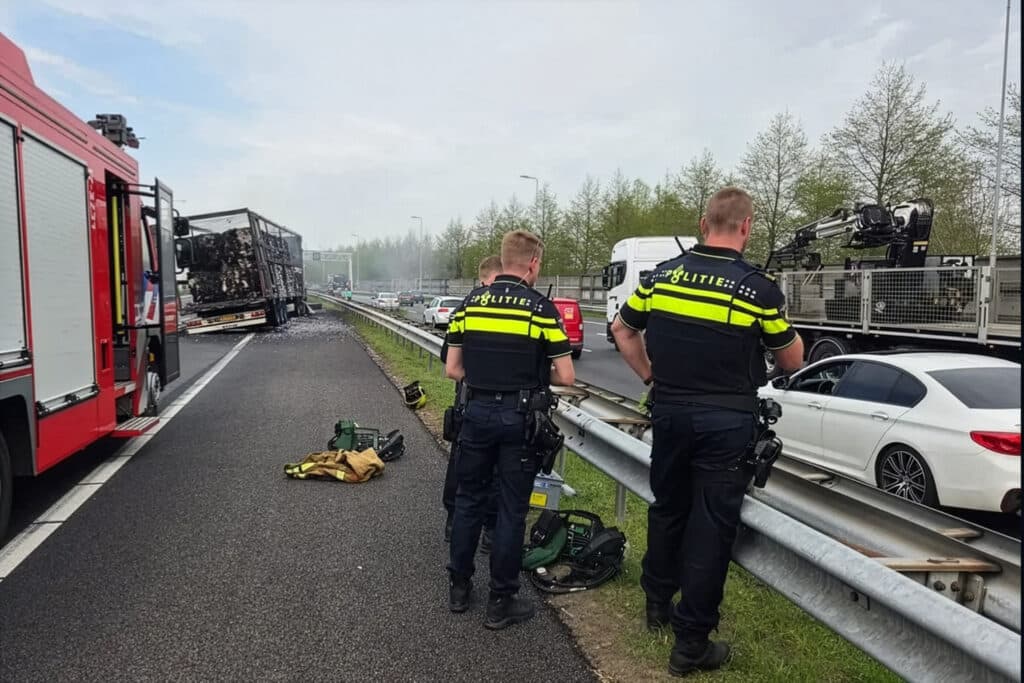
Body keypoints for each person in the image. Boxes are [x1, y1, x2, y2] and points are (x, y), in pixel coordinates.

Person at [611, 187, 804, 676]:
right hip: (727, 421)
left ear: (703, 224)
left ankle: (656, 605)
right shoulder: (758, 288)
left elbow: (622, 329)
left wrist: (651, 375)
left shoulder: (662, 277)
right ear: (746, 227)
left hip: (670, 412)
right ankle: (691, 643)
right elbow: (791, 359)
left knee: (669, 508)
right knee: (711, 528)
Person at [444, 230, 575, 629]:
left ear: (502, 261)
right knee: (511, 511)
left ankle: (460, 588)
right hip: (519, 420)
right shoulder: (540, 308)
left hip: (476, 413)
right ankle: (501, 601)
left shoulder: (470, 303)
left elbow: (452, 368)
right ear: (533, 263)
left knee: (469, 500)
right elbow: (566, 376)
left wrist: (485, 381)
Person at [441, 255, 503, 549]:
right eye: (495, 283)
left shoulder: (476, 307)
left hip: (487, 401)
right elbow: (447, 358)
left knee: (493, 470)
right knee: (464, 467)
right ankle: (457, 522)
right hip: (471, 398)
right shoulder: (468, 307)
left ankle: (487, 527)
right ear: (483, 281)